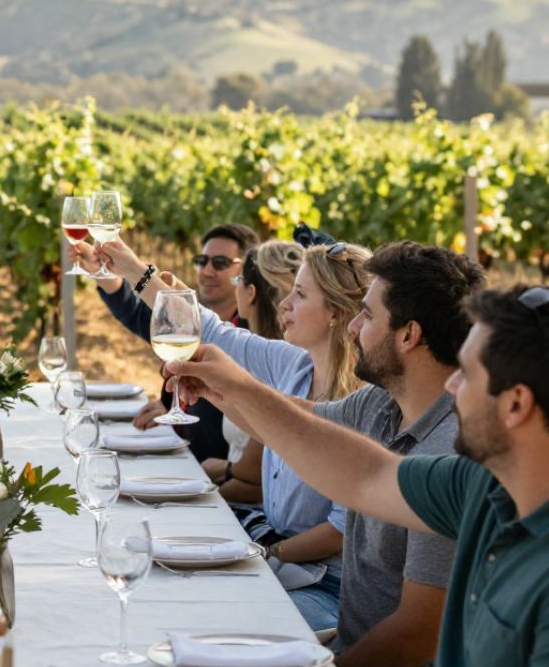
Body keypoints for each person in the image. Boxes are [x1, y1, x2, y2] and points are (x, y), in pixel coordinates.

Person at [168, 284, 549, 667]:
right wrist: (233, 388)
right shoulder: (491, 482)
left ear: (517, 405)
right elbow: (364, 476)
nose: (451, 387)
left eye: (467, 374)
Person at [101, 235, 369, 632]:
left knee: (209, 618)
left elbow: (339, 534)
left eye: (299, 294)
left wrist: (259, 554)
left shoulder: (365, 405)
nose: (285, 304)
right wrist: (130, 267)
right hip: (280, 558)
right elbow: (209, 330)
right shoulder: (295, 365)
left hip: (327, 588)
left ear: (334, 312)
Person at [71, 222, 258, 461]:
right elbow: (137, 313)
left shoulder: (249, 336)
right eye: (202, 261)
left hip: (211, 472)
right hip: (181, 457)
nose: (207, 270)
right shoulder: (188, 321)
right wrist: (98, 271)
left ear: (245, 274)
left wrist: (133, 268)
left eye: (220, 263)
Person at [204, 239, 305, 506]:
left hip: (257, 515)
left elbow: (257, 480)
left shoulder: (281, 365)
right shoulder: (256, 352)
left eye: (238, 281)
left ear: (249, 293)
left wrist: (201, 495)